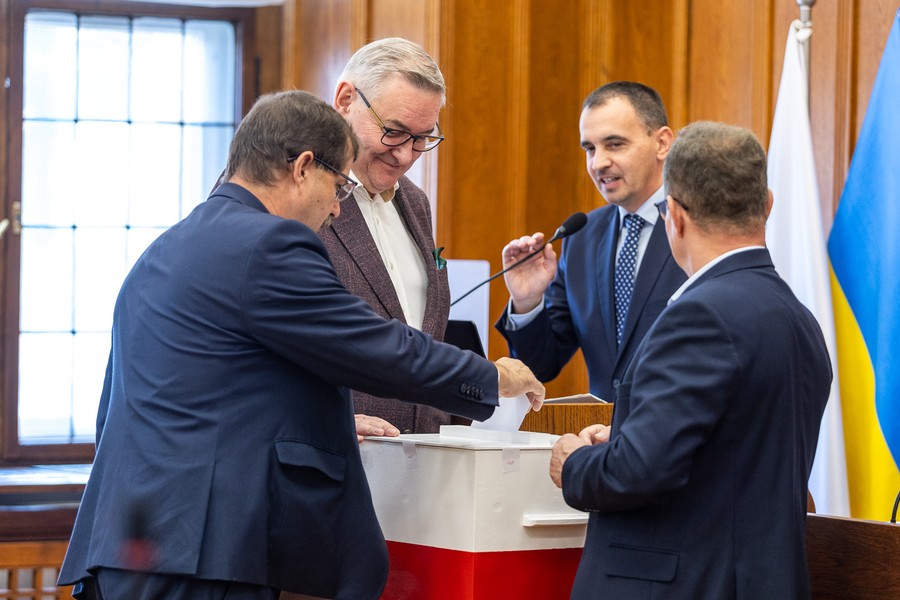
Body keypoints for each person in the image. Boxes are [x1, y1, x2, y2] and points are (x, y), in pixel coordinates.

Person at [57, 90, 545, 600]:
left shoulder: (166, 247)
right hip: (207, 552)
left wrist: (318, 420)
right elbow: (373, 346)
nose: (336, 208)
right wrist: (492, 377)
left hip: (131, 546)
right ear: (303, 167)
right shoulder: (269, 243)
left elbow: (181, 398)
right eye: (339, 186)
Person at [549, 121, 832, 599]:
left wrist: (574, 463)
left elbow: (635, 474)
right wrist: (631, 433)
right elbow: (734, 449)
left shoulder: (697, 316)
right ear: (767, 205)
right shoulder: (799, 317)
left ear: (674, 216)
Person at [496, 81, 687, 401]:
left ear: (662, 143)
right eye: (590, 149)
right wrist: (527, 302)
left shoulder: (698, 227)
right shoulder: (582, 237)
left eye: (615, 144)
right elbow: (540, 366)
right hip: (601, 430)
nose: (598, 163)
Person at [319, 38, 452, 433]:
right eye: (394, 131)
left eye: (422, 138)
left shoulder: (416, 202)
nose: (406, 155)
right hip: (331, 453)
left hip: (420, 454)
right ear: (345, 100)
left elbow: (422, 337)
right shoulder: (294, 190)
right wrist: (324, 422)